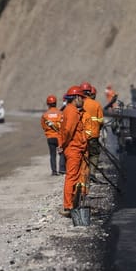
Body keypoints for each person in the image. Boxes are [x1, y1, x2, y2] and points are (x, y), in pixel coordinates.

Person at [58, 86, 90, 217]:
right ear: (76, 98)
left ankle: (72, 204)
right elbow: (68, 131)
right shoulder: (71, 112)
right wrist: (63, 145)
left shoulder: (71, 110)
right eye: (81, 98)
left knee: (75, 176)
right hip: (73, 149)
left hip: (76, 148)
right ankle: (67, 207)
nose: (83, 100)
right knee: (71, 177)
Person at [80, 82, 104, 184]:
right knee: (94, 154)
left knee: (83, 155)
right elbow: (101, 121)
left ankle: (83, 174)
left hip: (80, 135)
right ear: (90, 92)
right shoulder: (96, 104)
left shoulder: (78, 103)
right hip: (93, 134)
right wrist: (98, 129)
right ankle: (92, 174)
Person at [42, 95, 67, 175]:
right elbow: (64, 125)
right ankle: (62, 169)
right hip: (59, 138)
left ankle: (54, 171)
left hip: (50, 137)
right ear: (55, 103)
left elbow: (43, 126)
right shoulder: (60, 113)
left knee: (52, 154)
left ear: (47, 104)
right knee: (61, 153)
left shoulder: (45, 115)